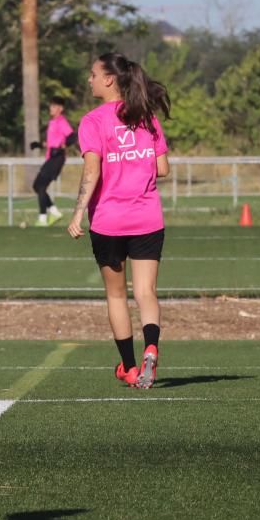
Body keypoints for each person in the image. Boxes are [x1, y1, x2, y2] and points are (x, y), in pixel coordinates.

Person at [67, 53, 170, 390]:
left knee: (116, 296)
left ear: (109, 79)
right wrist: (136, 168)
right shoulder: (146, 116)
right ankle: (151, 349)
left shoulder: (93, 121)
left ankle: (128, 366)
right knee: (146, 292)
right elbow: (164, 168)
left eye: (93, 74)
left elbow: (92, 170)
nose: (89, 80)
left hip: (109, 221)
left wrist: (78, 211)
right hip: (147, 218)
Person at [30, 97, 75, 226]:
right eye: (51, 106)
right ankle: (54, 213)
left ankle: (43, 218)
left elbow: (72, 137)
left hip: (57, 159)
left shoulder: (61, 121)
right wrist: (39, 145)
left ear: (61, 109)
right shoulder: (53, 122)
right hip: (51, 158)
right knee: (37, 186)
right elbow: (53, 142)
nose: (51, 108)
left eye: (54, 106)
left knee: (41, 186)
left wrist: (62, 147)